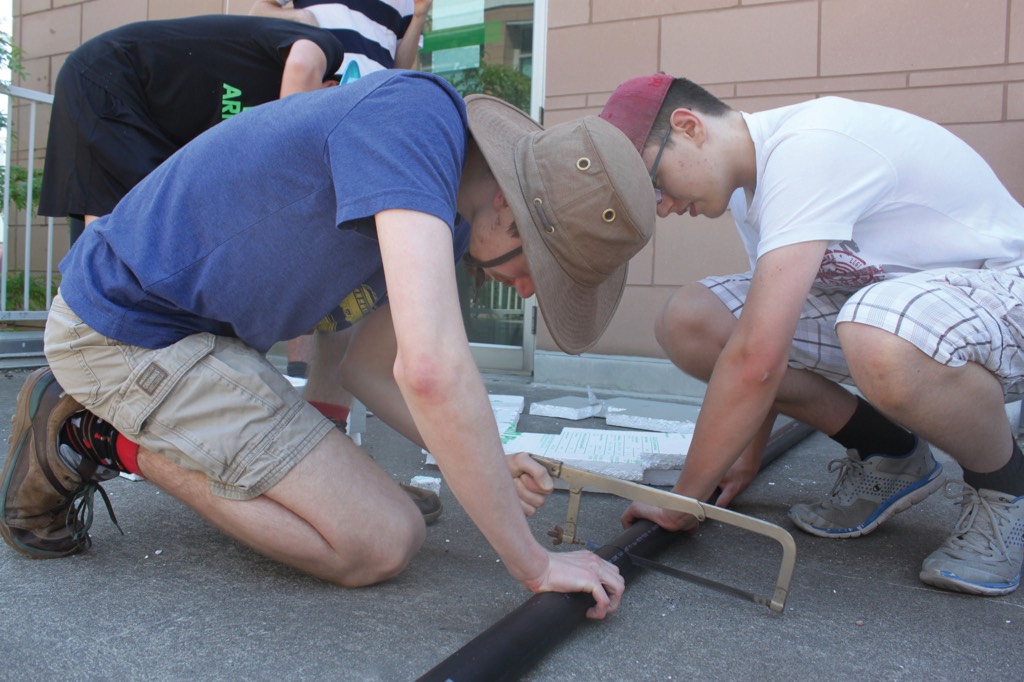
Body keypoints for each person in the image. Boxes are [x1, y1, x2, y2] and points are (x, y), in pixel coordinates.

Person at [1, 69, 655, 616]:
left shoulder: (445, 207)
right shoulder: (414, 122)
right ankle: (87, 429)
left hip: (198, 337)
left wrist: (486, 460)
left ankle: (130, 423)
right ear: (510, 215)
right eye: (541, 271)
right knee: (379, 539)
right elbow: (432, 371)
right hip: (125, 331)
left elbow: (375, 368)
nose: (533, 294)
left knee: (388, 515)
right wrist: (532, 561)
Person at [599, 73, 1024, 596]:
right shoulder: (749, 190)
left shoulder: (809, 147)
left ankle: (1004, 485)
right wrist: (743, 457)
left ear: (687, 127)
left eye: (654, 183)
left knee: (876, 327)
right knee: (693, 319)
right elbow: (760, 339)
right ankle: (889, 453)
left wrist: (683, 500)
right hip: (899, 314)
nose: (661, 206)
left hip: (1004, 287)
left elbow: (757, 359)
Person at [37, 14, 345, 244]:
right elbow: (303, 67)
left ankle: (88, 317)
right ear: (333, 84)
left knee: (127, 222)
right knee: (135, 223)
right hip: (112, 73)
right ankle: (95, 316)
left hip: (139, 112)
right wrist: (290, 167)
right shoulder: (325, 46)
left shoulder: (256, 131)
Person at [249, 0, 430, 82]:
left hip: (374, 98)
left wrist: (419, 15)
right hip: (319, 88)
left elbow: (399, 66)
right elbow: (257, 11)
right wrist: (300, 17)